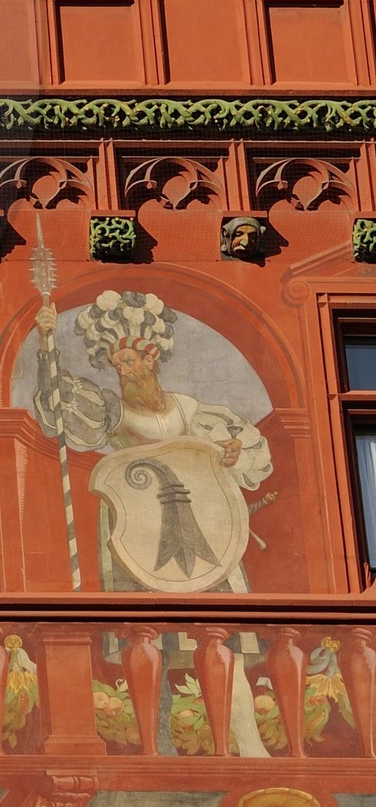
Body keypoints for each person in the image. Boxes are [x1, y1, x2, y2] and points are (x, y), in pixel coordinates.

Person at [31, 288, 273, 754]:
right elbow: (60, 408)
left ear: (153, 361)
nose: (126, 370)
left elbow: (250, 456)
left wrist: (232, 452)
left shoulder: (191, 411)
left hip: (205, 526)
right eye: (118, 364)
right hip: (136, 530)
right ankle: (154, 744)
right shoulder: (112, 410)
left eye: (134, 362)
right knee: (145, 638)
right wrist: (47, 347)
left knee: (226, 638)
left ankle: (248, 741)